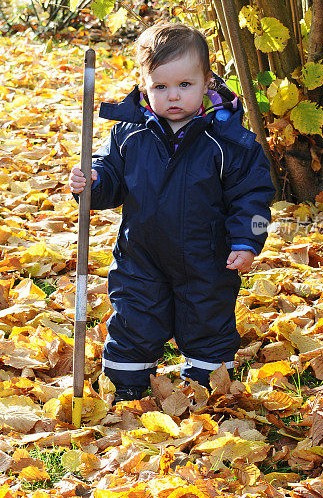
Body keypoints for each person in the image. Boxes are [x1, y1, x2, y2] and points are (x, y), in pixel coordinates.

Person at [69, 22, 275, 401]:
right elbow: (111, 175)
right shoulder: (130, 134)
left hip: (209, 261)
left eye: (185, 85)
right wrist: (93, 182)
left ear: (207, 81)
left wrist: (247, 241)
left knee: (207, 326)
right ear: (145, 84)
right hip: (141, 257)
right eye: (160, 87)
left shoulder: (229, 141)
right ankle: (126, 386)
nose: (173, 96)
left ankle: (207, 389)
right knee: (134, 322)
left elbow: (253, 196)